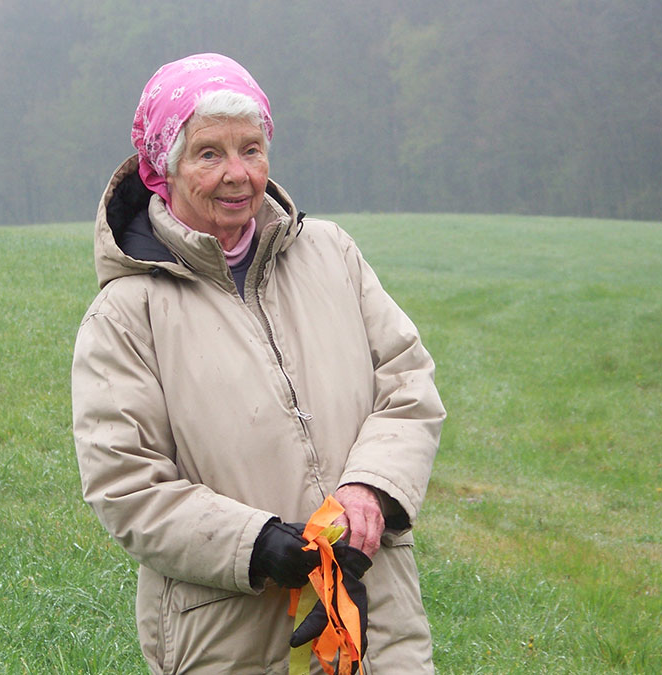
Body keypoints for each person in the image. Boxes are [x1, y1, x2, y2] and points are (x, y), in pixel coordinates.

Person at [71, 53, 445, 673]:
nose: (236, 174)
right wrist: (258, 542)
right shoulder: (124, 313)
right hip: (231, 638)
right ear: (165, 168)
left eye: (252, 148)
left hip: (376, 617)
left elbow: (407, 383)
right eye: (209, 153)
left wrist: (369, 490)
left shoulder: (333, 254)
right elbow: (126, 484)